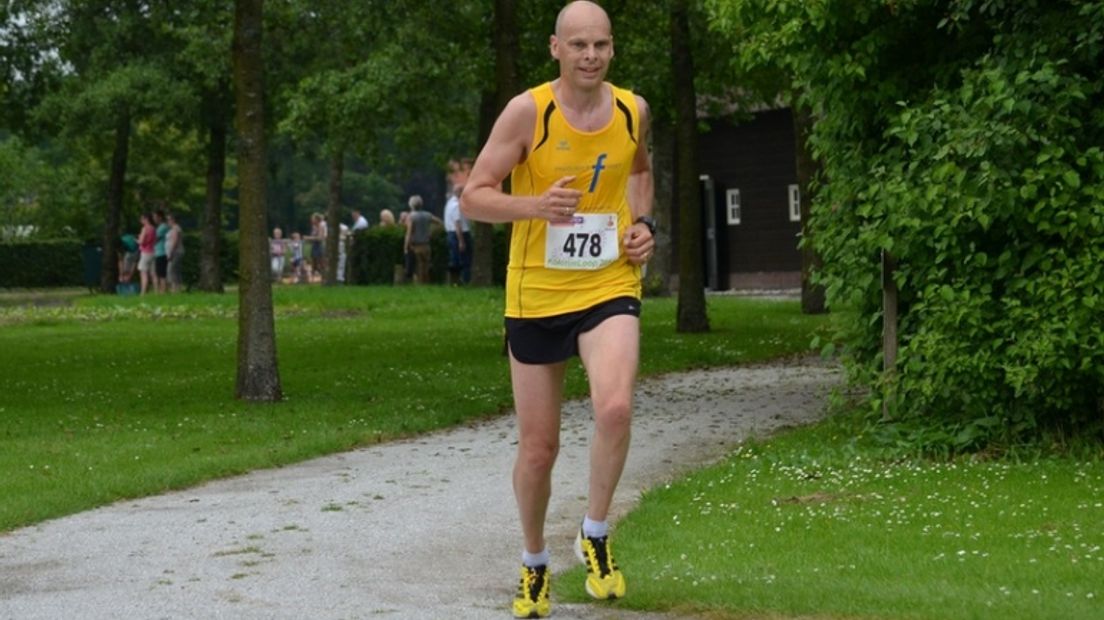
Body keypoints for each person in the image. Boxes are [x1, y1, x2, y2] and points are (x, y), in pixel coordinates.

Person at [459, 2, 655, 617]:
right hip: (537, 292)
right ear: (555, 48)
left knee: (616, 407)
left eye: (600, 45)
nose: (590, 56)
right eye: (578, 45)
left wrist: (644, 224)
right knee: (539, 448)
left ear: (613, 49)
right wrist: (535, 207)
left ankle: (595, 535)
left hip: (607, 281)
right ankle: (534, 562)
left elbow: (640, 171)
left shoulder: (633, 109)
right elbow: (474, 197)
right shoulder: (528, 111)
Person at [403, 195, 440, 284]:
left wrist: (405, 246)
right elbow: (439, 223)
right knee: (425, 267)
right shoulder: (427, 215)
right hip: (426, 245)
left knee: (417, 268)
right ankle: (426, 284)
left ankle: (419, 285)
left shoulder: (411, 216)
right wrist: (431, 232)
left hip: (415, 246)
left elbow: (409, 232)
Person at [444, 184, 473, 285]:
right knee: (464, 259)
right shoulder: (456, 205)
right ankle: (464, 280)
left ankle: (454, 281)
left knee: (454, 257)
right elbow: (457, 223)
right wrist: (461, 241)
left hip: (451, 233)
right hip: (460, 234)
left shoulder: (449, 203)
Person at [137, 213, 157, 296]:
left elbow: (141, 241)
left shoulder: (145, 229)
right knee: (153, 274)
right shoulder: (153, 229)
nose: (141, 221)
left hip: (145, 253)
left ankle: (143, 293)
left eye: (142, 219)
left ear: (146, 219)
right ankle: (157, 292)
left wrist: (137, 240)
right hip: (153, 252)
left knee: (143, 273)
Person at [165, 212, 185, 293]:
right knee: (176, 270)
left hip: (175, 252)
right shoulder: (174, 229)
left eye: (169, 219)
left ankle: (174, 289)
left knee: (171, 270)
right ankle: (177, 288)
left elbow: (174, 241)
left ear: (173, 220)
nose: (168, 221)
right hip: (176, 252)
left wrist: (170, 253)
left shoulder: (176, 229)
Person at [153, 209, 169, 294]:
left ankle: (163, 291)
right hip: (158, 252)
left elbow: (155, 239)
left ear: (160, 217)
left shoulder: (163, 227)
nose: (154, 219)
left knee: (162, 273)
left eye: (155, 217)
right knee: (159, 273)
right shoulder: (159, 227)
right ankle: (160, 290)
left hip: (162, 252)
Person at [308, 212, 327, 282]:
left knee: (321, 263)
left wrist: (309, 238)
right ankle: (312, 279)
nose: (311, 220)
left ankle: (324, 279)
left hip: (319, 246)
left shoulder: (321, 227)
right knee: (313, 263)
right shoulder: (313, 227)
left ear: (316, 219)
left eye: (313, 219)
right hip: (314, 246)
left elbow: (320, 238)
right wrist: (310, 239)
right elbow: (312, 237)